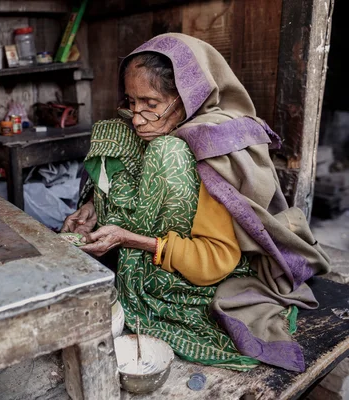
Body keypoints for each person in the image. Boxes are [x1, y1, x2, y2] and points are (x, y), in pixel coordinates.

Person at [62, 33, 330, 372]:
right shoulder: (144, 126)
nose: (138, 117)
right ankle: (122, 245)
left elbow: (216, 260)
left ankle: (145, 275)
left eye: (151, 104)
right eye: (131, 102)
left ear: (189, 98)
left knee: (167, 151)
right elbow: (119, 177)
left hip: (198, 271)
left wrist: (128, 240)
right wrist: (92, 208)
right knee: (111, 130)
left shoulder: (211, 144)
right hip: (148, 236)